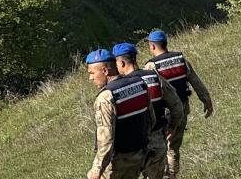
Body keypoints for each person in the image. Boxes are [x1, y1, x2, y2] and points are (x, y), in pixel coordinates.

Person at [143, 30, 212, 178]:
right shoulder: (181, 59)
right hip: (182, 110)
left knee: (159, 149)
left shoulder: (151, 66)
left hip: (162, 115)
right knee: (173, 148)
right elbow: (195, 81)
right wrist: (206, 100)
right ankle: (172, 175)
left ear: (152, 46)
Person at [112, 42, 187, 179]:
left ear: (121, 63)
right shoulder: (154, 77)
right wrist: (172, 126)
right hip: (157, 142)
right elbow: (177, 105)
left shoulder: (119, 88)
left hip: (131, 149)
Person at [86, 48, 153, 179]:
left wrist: (96, 170)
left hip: (117, 162)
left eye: (92, 73)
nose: (90, 78)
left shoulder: (106, 97)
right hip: (139, 154)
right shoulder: (139, 83)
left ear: (105, 70)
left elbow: (106, 139)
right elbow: (151, 119)